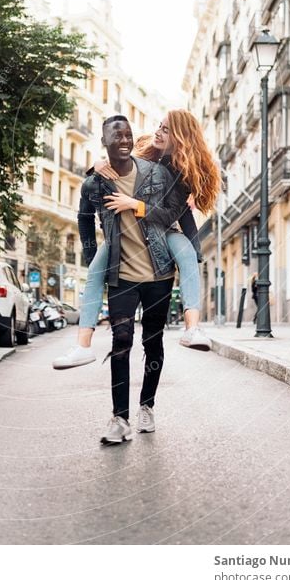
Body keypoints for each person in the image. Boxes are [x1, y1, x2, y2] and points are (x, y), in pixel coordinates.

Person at [53, 109, 220, 369]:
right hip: (127, 230)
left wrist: (135, 204)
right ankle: (82, 347)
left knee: (187, 255)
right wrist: (96, 166)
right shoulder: (146, 149)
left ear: (179, 137)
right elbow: (115, 162)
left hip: (163, 228)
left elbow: (176, 214)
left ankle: (193, 329)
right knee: (96, 270)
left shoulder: (185, 171)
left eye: (165, 129)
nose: (157, 132)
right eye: (159, 125)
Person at [71, 114, 189, 443]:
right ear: (104, 142)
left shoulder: (156, 173)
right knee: (121, 341)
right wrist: (92, 254)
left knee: (153, 341)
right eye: (116, 136)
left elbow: (174, 212)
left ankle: (147, 406)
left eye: (128, 135)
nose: (123, 140)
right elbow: (83, 220)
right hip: (121, 275)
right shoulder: (94, 182)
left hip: (160, 271)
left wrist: (137, 206)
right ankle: (119, 419)